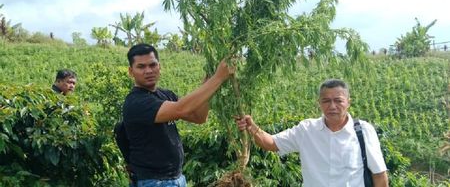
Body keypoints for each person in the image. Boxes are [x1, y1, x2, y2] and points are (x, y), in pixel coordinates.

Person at [235, 78, 389, 187]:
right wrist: (252, 127)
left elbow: (379, 174)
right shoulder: (306, 130)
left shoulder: (363, 131)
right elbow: (271, 143)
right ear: (319, 103)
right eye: (326, 101)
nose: (332, 106)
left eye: (338, 100)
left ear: (348, 102)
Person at [122, 43, 234, 186]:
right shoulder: (136, 102)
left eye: (152, 65)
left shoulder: (165, 95)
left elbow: (199, 117)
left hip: (176, 178)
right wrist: (218, 78)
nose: (148, 70)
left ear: (159, 67)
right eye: (141, 67)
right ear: (131, 71)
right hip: (153, 182)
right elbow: (181, 109)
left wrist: (208, 83)